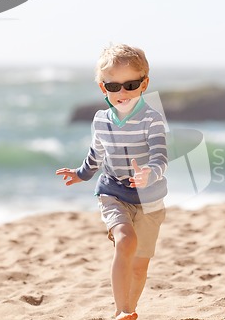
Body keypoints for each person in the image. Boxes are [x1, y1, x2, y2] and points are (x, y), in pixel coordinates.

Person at [56, 44, 168, 320]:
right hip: (113, 191)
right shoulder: (101, 120)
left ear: (145, 84)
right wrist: (82, 173)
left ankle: (130, 309)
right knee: (125, 240)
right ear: (102, 87)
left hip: (149, 198)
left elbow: (160, 157)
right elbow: (97, 153)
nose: (122, 93)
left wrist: (149, 173)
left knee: (140, 266)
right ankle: (122, 310)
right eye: (113, 86)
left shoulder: (152, 120)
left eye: (130, 85)